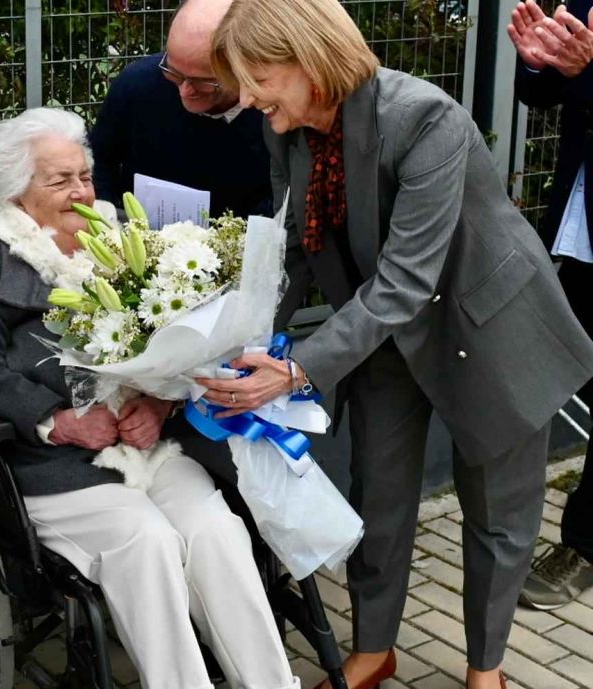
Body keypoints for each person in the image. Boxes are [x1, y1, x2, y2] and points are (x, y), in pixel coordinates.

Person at [202, 0, 593, 687]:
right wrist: (243, 337)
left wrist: (294, 371)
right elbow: (295, 248)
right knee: (378, 497)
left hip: (489, 325)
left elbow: (405, 282)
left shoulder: (423, 118)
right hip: (381, 334)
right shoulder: (285, 130)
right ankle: (373, 651)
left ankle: (487, 668)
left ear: (307, 58)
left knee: (497, 515)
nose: (248, 95)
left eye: (257, 75)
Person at [0, 107, 299, 689]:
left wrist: (160, 404)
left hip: (145, 443)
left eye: (84, 174)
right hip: (54, 463)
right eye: (60, 180)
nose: (81, 190)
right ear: (13, 193)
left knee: (216, 531)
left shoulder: (121, 238)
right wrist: (56, 421)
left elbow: (178, 341)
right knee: (148, 541)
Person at [509, 0, 593, 611]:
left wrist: (587, 73)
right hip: (579, 221)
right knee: (541, 364)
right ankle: (504, 530)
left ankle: (583, 547)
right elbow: (537, 94)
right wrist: (541, 67)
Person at [89, 0, 270, 217]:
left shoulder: (272, 107)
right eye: (173, 72)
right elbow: (97, 160)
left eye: (202, 80)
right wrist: (106, 216)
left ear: (242, 67)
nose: (184, 91)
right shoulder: (137, 84)